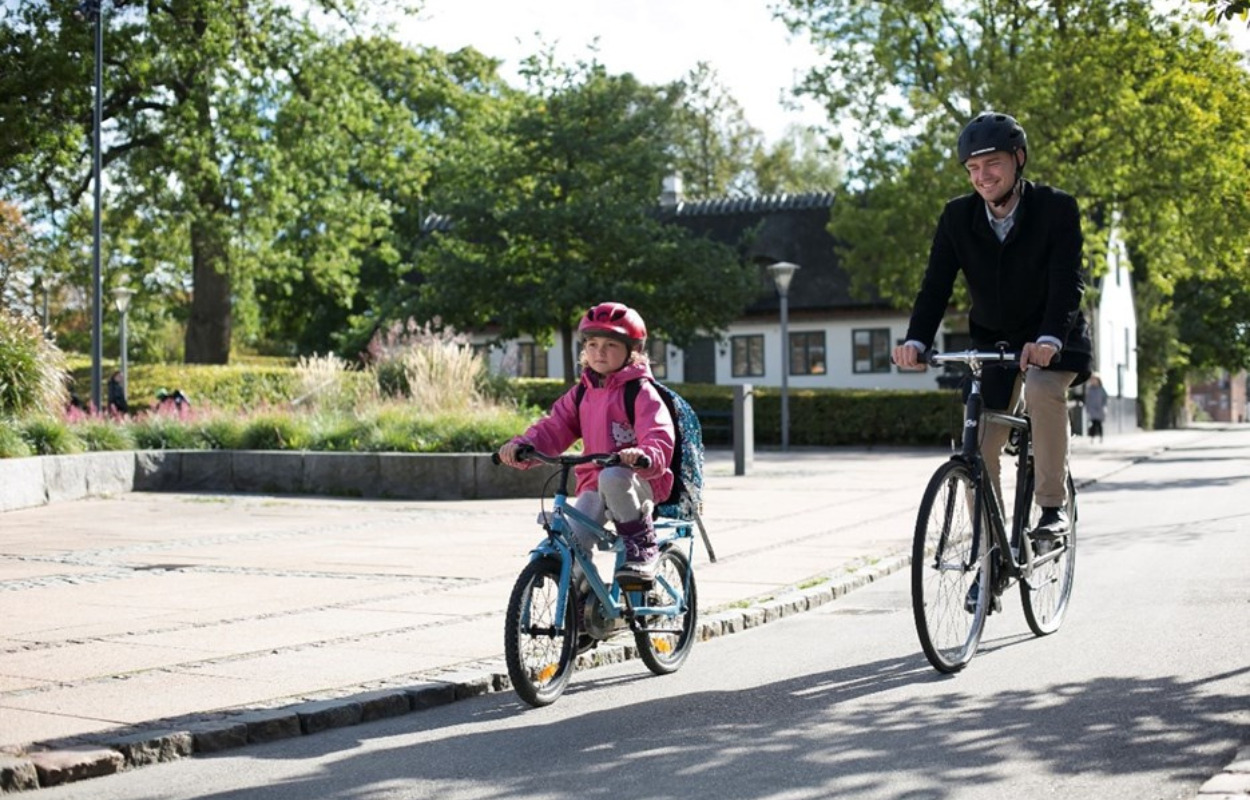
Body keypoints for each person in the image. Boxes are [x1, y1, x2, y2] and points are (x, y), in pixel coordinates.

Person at [892, 111, 1093, 543]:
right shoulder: (956, 218)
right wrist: (916, 340)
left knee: (1041, 388)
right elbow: (935, 286)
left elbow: (1066, 280)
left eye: (993, 164)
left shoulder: (1056, 209)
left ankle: (1052, 509)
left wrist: (1049, 337)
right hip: (995, 342)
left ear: (1018, 158)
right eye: (973, 168)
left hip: (1053, 337)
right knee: (978, 441)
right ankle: (991, 547)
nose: (983, 176)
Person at [497, 302, 675, 582]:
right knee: (572, 543)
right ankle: (580, 605)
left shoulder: (641, 392)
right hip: (593, 483)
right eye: (592, 344)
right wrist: (524, 446)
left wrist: (645, 454)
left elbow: (658, 432)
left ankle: (642, 548)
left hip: (637, 481)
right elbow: (554, 427)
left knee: (614, 476)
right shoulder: (582, 393)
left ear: (633, 351)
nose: (599, 352)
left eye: (610, 345)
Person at [1084, 373, 1108, 442]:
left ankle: (1101, 437)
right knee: (1093, 424)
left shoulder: (1101, 389)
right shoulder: (1090, 389)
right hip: (1092, 409)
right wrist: (1088, 408)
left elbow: (1105, 398)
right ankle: (1092, 437)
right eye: (1092, 379)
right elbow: (1087, 399)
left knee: (1099, 424)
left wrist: (1104, 407)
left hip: (1100, 409)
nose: (1093, 381)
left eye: (1095, 379)